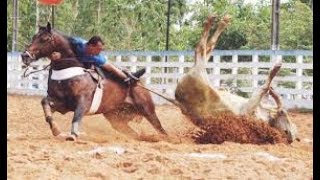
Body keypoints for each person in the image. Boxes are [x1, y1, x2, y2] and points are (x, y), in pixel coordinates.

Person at [69, 35, 137, 84]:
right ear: (91, 46)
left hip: (84, 66)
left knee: (110, 68)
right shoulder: (77, 42)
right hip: (69, 61)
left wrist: (126, 78)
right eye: (98, 49)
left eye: (101, 50)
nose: (99, 52)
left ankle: (128, 74)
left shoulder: (97, 57)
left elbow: (112, 68)